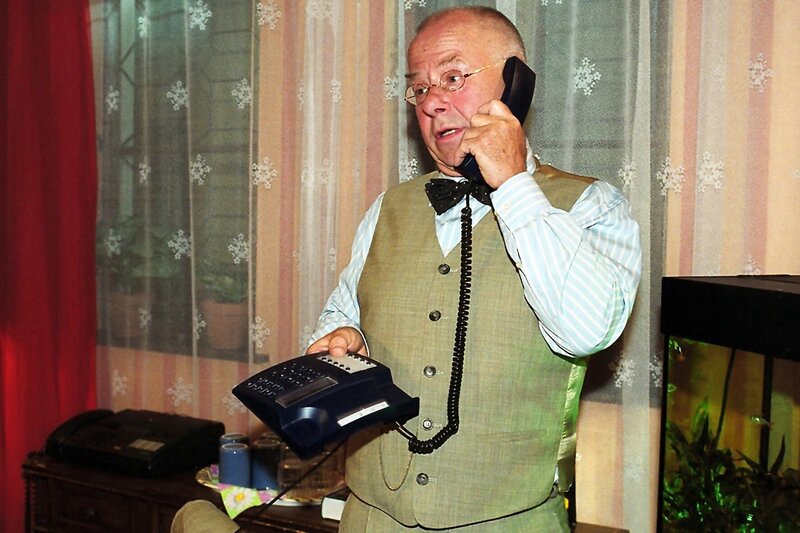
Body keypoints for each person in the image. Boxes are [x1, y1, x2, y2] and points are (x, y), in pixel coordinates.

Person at [306, 6, 641, 532]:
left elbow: (586, 331)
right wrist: (343, 337)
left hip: (509, 520)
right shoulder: (388, 208)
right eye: (420, 88)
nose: (431, 101)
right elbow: (342, 312)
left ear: (515, 85)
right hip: (369, 517)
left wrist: (513, 185)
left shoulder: (592, 206)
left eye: (453, 78)